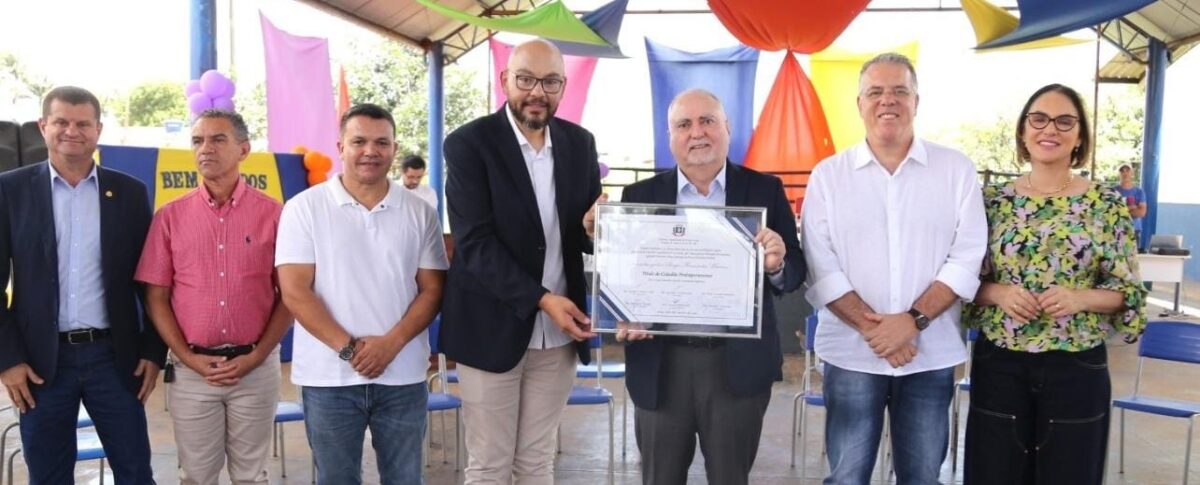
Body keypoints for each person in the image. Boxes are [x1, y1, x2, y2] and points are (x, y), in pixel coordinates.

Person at [800, 53, 988, 484]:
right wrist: (877, 330)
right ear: (860, 103)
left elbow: (967, 256)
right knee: (847, 477)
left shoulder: (955, 170)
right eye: (876, 92)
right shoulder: (829, 176)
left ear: (916, 101)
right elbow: (819, 264)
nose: (888, 100)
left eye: (900, 91)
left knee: (921, 477)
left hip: (929, 353)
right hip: (852, 355)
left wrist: (912, 321)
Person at [605, 89, 805, 485]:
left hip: (736, 366)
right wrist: (623, 311)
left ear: (727, 128)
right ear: (670, 136)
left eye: (707, 121)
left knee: (731, 477)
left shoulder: (764, 190)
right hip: (660, 363)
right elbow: (623, 276)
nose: (697, 133)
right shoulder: (639, 196)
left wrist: (777, 264)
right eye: (684, 124)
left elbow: (795, 271)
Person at [963, 83, 1146, 485]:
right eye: (1039, 119)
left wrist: (1081, 298)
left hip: (1076, 365)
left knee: (1071, 473)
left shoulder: (1106, 204)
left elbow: (1128, 293)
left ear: (1080, 136)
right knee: (994, 473)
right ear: (1023, 131)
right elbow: (961, 279)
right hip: (1001, 362)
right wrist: (999, 293)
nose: (1050, 129)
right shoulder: (990, 202)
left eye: (1065, 121)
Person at [440, 38, 602, 484]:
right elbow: (475, 243)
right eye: (526, 79)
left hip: (559, 334)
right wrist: (543, 299)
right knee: (490, 464)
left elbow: (581, 235)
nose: (537, 92)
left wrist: (593, 230)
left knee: (536, 460)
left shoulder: (580, 144)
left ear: (563, 86)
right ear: (505, 80)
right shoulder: (469, 144)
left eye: (550, 82)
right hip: (490, 327)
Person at [0, 86, 165, 484]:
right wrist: (7, 359)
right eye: (61, 121)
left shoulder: (129, 193)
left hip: (115, 359)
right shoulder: (9, 190)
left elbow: (152, 281)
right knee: (48, 476)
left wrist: (153, 350)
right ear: (43, 126)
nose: (72, 131)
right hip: (40, 365)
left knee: (135, 472)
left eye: (83, 124)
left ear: (98, 130)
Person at [276, 103, 448, 484]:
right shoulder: (304, 208)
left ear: (394, 148)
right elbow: (295, 291)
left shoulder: (420, 212)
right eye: (359, 142)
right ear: (340, 146)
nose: (370, 151)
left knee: (405, 479)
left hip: (402, 375)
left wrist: (390, 345)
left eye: (381, 143)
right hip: (328, 379)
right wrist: (350, 350)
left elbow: (433, 289)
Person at [135, 109, 291, 485]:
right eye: (198, 140)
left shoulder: (275, 215)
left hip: (255, 369)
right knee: (196, 475)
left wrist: (257, 356)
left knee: (251, 476)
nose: (206, 148)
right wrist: (187, 357)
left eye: (218, 139)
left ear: (244, 150)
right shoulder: (169, 217)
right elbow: (156, 297)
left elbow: (290, 296)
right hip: (192, 371)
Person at [1115, 164, 1147, 250]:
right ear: (1119, 174)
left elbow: (1142, 213)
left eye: (1127, 170)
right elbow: (1112, 211)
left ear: (1132, 173)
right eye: (1122, 171)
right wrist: (1131, 208)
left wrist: (1122, 210)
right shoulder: (1113, 191)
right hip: (1117, 229)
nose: (1125, 173)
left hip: (1134, 229)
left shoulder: (1139, 192)